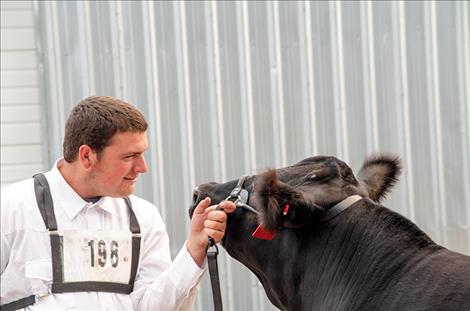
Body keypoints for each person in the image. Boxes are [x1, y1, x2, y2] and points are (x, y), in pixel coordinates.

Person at [0, 96, 236, 310]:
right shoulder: (12, 210)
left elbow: (151, 307)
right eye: (129, 157)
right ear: (86, 156)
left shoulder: (144, 218)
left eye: (142, 154)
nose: (142, 167)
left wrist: (194, 249)